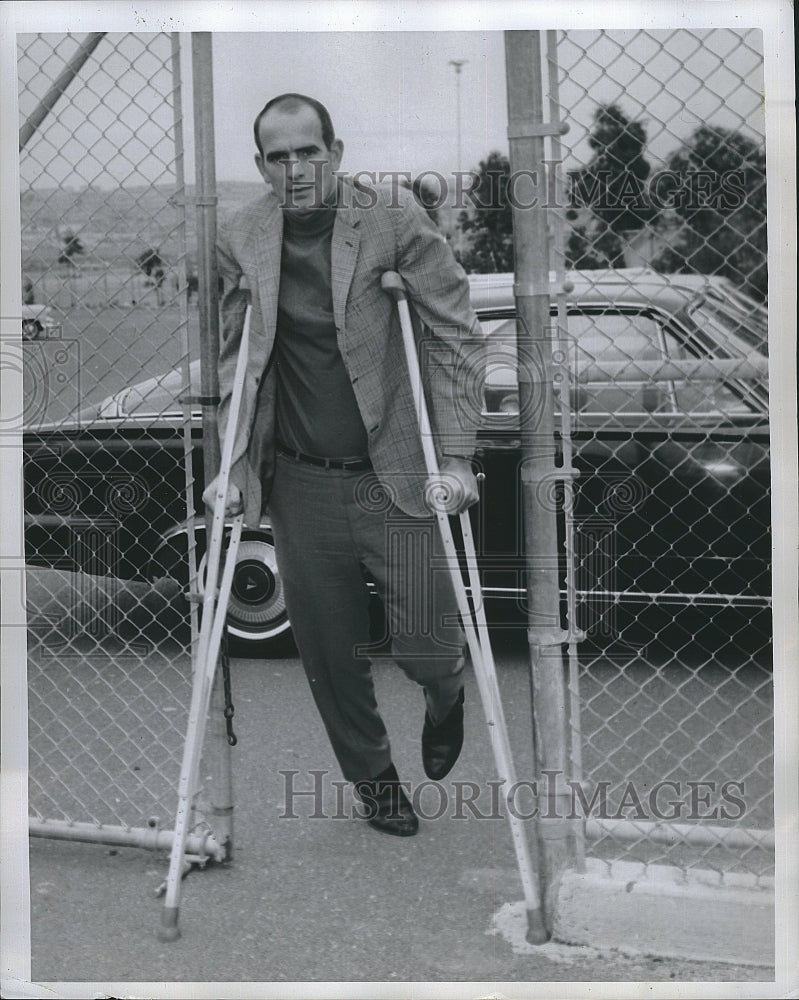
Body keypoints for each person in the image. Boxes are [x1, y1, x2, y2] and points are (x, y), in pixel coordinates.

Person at [204, 93, 485, 837]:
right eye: (278, 156)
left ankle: (442, 695)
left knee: (426, 642)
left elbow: (456, 335)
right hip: (301, 481)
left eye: (308, 151)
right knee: (328, 652)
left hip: (392, 470)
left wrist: (454, 457)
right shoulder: (243, 236)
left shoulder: (391, 217)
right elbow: (238, 366)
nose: (296, 169)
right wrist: (231, 466)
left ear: (335, 149)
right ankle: (375, 781)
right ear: (260, 163)